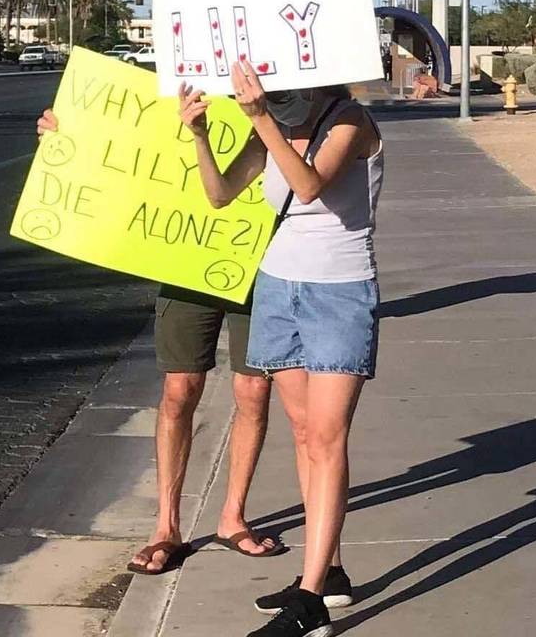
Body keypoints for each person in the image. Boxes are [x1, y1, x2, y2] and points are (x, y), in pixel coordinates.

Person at [179, 60, 383, 637]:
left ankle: (311, 600)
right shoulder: (267, 125)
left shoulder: (350, 120)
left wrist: (262, 118)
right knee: (302, 432)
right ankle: (330, 572)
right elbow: (220, 194)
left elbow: (310, 185)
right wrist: (199, 134)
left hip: (339, 293)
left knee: (327, 436)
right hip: (278, 287)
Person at [35, 110, 286, 575]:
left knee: (254, 392)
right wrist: (68, 136)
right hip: (188, 260)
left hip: (261, 263)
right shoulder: (180, 89)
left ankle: (233, 516)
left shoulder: (279, 100)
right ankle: (166, 527)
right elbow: (134, 148)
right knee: (178, 391)